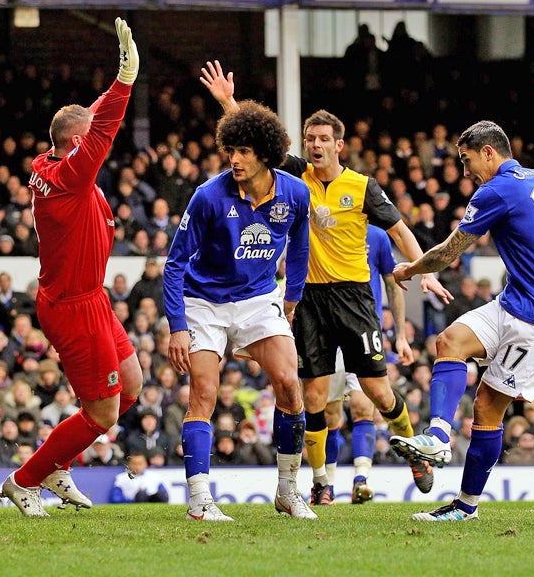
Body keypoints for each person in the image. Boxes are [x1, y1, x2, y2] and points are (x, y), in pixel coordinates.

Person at [201, 61, 453, 507]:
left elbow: (399, 231)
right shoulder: (295, 174)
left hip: (354, 298)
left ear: (339, 145)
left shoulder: (363, 187)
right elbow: (256, 143)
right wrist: (227, 101)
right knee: (313, 395)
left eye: (323, 140)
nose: (314, 145)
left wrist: (424, 268)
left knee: (377, 390)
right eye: (309, 139)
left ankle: (417, 452)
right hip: (310, 297)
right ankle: (319, 481)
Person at [389, 120, 534, 522]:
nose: (465, 172)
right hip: (513, 302)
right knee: (448, 341)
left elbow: (447, 254)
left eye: (466, 161)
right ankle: (439, 437)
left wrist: (408, 271)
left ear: (489, 153)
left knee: (486, 408)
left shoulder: (495, 189)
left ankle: (466, 507)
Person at [0, 18, 143, 517]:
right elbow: (103, 129)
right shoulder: (73, 178)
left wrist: (113, 84)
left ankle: (56, 463)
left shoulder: (57, 164)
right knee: (102, 412)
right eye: (88, 141)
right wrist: (124, 84)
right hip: (73, 307)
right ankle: (24, 479)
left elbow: (92, 123)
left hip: (89, 298)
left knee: (131, 387)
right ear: (76, 145)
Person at [163, 100, 314, 521]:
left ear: (265, 153)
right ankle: (199, 501)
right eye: (231, 149)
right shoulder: (208, 196)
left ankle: (287, 491)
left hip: (258, 297)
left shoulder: (294, 192)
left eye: (245, 150)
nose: (235, 158)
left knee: (288, 383)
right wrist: (177, 326)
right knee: (205, 394)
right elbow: (174, 264)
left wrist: (292, 296)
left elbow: (300, 245)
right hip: (202, 301)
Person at [323, 225, 413, 505]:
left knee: (364, 407)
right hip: (328, 333)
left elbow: (392, 284)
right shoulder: (324, 229)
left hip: (366, 333)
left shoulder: (376, 236)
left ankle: (361, 481)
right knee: (330, 414)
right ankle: (325, 485)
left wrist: (400, 335)